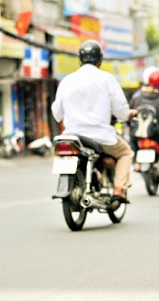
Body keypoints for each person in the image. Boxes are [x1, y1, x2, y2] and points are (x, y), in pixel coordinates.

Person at [51, 40, 134, 203]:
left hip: (73, 137)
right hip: (100, 137)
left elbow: (57, 113)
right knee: (126, 153)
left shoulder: (67, 80)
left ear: (79, 60)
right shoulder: (106, 79)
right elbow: (121, 110)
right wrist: (128, 114)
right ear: (100, 60)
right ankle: (119, 189)